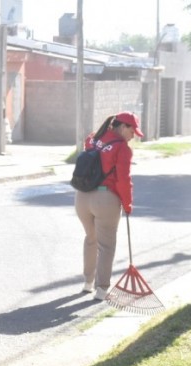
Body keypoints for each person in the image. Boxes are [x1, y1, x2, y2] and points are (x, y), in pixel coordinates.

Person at [75, 112, 141, 301]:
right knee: (106, 246)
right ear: (122, 127)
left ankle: (88, 283)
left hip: (82, 197)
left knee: (90, 238)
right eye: (132, 130)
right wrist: (127, 204)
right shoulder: (122, 149)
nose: (133, 135)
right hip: (105, 200)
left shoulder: (93, 139)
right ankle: (102, 290)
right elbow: (123, 180)